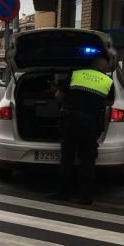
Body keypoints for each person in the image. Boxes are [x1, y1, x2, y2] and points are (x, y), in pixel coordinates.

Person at [52, 54, 116, 205]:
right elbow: (110, 102)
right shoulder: (108, 81)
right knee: (87, 160)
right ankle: (85, 196)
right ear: (104, 66)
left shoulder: (75, 73)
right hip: (90, 124)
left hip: (71, 122)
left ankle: (63, 193)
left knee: (67, 158)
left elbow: (59, 96)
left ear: (92, 64)